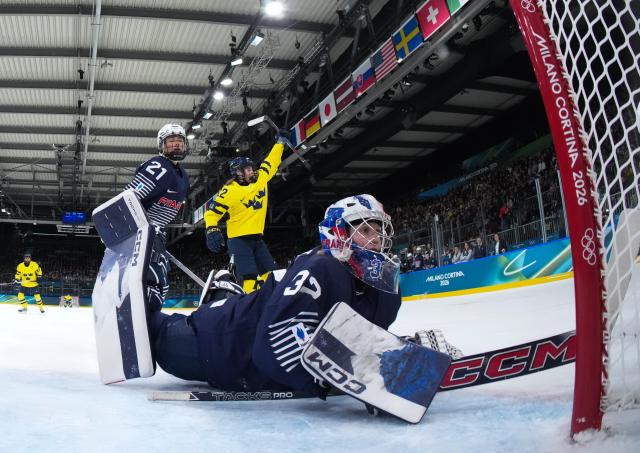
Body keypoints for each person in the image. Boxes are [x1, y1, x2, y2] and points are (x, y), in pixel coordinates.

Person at [146, 194, 404, 397]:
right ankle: (155, 287)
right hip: (209, 345)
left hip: (239, 328)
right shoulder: (322, 265)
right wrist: (325, 376)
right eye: (366, 231)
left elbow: (364, 336)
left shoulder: (385, 282)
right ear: (338, 232)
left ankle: (222, 294)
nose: (376, 239)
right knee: (154, 332)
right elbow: (274, 343)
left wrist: (398, 348)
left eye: (380, 231)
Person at [203, 141, 285, 293]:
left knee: (271, 274)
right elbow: (212, 213)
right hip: (238, 241)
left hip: (257, 239)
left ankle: (270, 303)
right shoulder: (229, 191)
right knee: (248, 277)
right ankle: (248, 307)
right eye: (247, 170)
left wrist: (280, 143)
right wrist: (211, 229)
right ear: (238, 173)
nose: (252, 171)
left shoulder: (261, 179)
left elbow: (271, 162)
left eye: (252, 168)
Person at [125, 123, 190, 310]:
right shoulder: (158, 166)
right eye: (171, 141)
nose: (176, 145)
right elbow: (128, 197)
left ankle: (148, 320)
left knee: (161, 283)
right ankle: (141, 318)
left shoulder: (183, 175)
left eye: (180, 141)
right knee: (151, 282)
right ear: (161, 145)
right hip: (143, 232)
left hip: (156, 233)